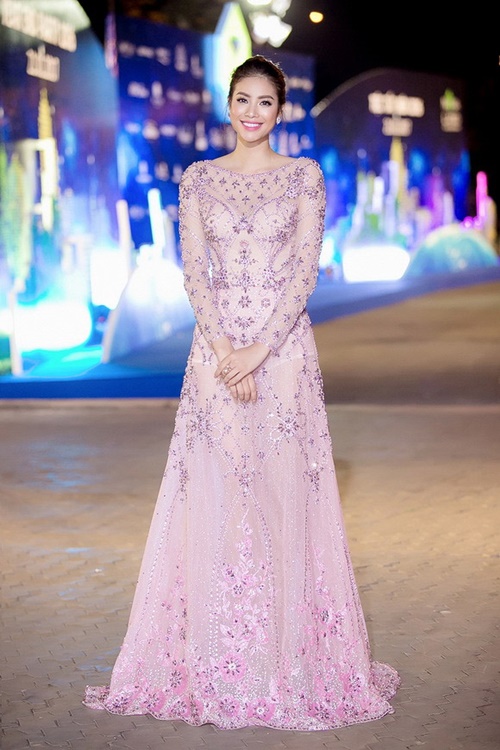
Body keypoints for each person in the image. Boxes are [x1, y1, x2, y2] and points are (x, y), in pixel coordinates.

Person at [84, 54, 400, 730]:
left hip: (283, 358)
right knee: (219, 493)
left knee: (282, 495)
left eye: (265, 101)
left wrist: (260, 349)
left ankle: (287, 659)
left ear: (280, 111)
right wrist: (228, 351)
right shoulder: (198, 179)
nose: (252, 111)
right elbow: (194, 272)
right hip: (214, 358)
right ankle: (216, 656)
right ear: (228, 105)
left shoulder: (303, 176)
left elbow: (304, 272)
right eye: (242, 99)